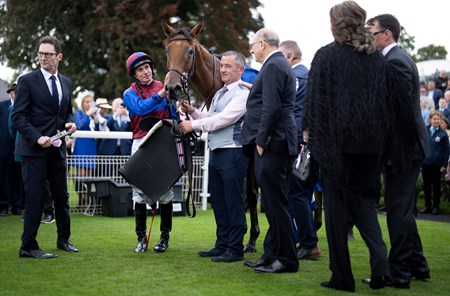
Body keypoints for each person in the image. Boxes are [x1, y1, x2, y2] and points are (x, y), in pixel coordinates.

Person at [302, 1, 390, 291]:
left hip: (336, 147)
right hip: (371, 147)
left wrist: (310, 136)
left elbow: (315, 104)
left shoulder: (326, 56)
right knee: (364, 205)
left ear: (335, 24)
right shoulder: (376, 58)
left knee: (337, 213)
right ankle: (381, 268)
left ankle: (342, 276)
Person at [367, 13, 431, 289]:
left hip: (403, 150)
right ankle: (418, 265)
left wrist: (391, 152)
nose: (370, 38)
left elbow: (401, 115)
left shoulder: (396, 62)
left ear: (387, 34)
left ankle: (400, 273)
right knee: (400, 209)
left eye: (373, 33)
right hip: (402, 149)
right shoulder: (394, 60)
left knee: (398, 212)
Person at [179, 50, 249, 263]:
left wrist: (193, 125)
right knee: (218, 201)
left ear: (241, 70)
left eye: (229, 66)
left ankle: (235, 248)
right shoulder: (219, 94)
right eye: (222, 66)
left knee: (232, 201)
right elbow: (210, 117)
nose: (224, 70)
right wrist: (193, 112)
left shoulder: (243, 93)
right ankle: (222, 244)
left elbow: (223, 120)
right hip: (217, 152)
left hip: (233, 152)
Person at [11, 35, 78, 259]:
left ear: (59, 56)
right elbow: (18, 117)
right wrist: (37, 137)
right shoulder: (27, 80)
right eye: (40, 54)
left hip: (57, 149)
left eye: (48, 54)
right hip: (33, 150)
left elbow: (65, 111)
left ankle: (63, 239)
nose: (43, 58)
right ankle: (28, 246)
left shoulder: (66, 82)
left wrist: (69, 122)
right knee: (36, 198)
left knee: (62, 196)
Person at [240, 28, 299, 274]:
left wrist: (261, 143)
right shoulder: (275, 64)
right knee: (273, 203)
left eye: (252, 44)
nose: (251, 49)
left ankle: (286, 259)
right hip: (276, 141)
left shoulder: (274, 65)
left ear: (262, 43)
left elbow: (271, 108)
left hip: (274, 143)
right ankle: (271, 254)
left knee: (276, 204)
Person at [123, 52, 178, 253]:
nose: (146, 72)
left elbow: (173, 116)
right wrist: (161, 95)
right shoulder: (129, 93)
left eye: (147, 67)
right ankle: (140, 238)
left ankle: (164, 237)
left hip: (163, 142)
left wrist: (178, 108)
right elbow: (142, 109)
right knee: (138, 193)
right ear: (134, 74)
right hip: (141, 143)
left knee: (165, 193)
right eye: (140, 69)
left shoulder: (164, 87)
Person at [279, 40, 321, 260]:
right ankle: (306, 241)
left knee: (295, 192)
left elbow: (291, 110)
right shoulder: (309, 76)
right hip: (307, 143)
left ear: (290, 56)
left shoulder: (296, 77)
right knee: (300, 193)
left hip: (298, 144)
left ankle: (309, 243)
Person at [420, 111, 449, 215]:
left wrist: (444, 165)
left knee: (436, 186)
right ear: (430, 120)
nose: (436, 121)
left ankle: (435, 207)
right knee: (426, 186)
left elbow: (446, 151)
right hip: (426, 163)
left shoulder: (443, 134)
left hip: (437, 165)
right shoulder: (425, 130)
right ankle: (427, 206)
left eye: (438, 119)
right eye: (434, 119)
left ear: (440, 120)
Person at [0, 83, 22, 216]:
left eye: (16, 92)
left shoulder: (24, 106)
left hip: (19, 146)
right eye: (12, 92)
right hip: (4, 147)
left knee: (18, 178)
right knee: (4, 178)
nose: (14, 94)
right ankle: (3, 206)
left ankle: (17, 206)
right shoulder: (2, 106)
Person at [72, 92, 97, 206]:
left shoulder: (94, 114)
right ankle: (80, 198)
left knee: (89, 175)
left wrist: (95, 116)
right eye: (87, 102)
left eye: (91, 102)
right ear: (82, 103)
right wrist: (87, 114)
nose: (89, 104)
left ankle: (88, 199)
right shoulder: (78, 113)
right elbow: (78, 125)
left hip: (91, 145)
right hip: (81, 144)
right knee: (80, 175)